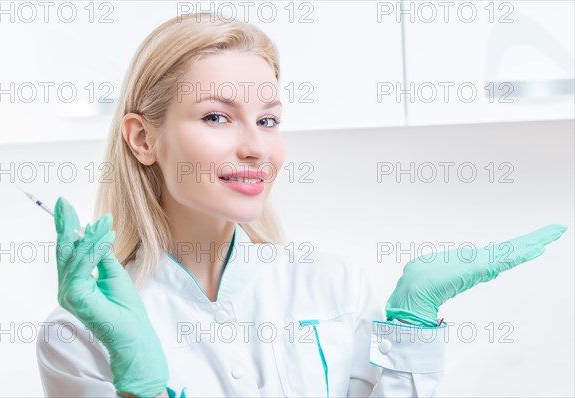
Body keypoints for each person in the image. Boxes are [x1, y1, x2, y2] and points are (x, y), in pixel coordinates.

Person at [35, 12, 567, 398]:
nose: (256, 147)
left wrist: (414, 325)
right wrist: (140, 391)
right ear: (142, 139)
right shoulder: (80, 333)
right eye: (217, 117)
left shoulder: (332, 284)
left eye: (267, 120)